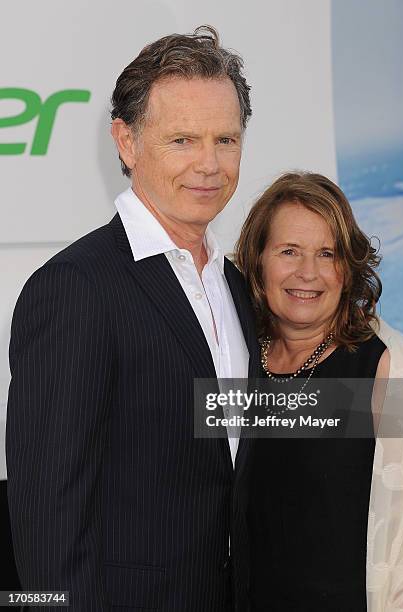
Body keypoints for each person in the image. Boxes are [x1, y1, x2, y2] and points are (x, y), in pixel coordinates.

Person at [6, 27, 260, 612]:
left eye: (226, 139)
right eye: (182, 140)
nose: (210, 163)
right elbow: (48, 512)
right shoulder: (76, 288)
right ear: (126, 141)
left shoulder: (238, 286)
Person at [235, 172, 403, 611]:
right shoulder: (236, 358)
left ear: (347, 268)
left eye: (326, 254)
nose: (307, 273)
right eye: (289, 251)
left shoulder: (388, 366)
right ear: (258, 261)